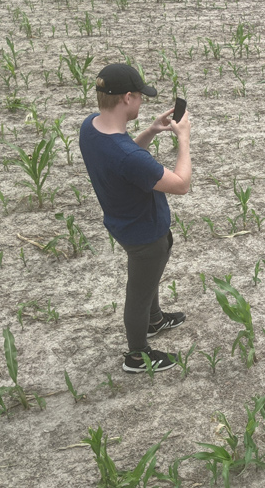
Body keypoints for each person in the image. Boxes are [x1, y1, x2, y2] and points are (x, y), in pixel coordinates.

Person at [79, 63, 192, 373]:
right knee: (139, 293)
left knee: (147, 280)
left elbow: (124, 157)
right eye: (141, 96)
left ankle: (154, 321)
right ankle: (137, 355)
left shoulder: (90, 128)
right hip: (145, 234)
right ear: (127, 98)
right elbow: (181, 184)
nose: (143, 102)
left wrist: (152, 131)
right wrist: (183, 138)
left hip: (123, 222)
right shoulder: (130, 157)